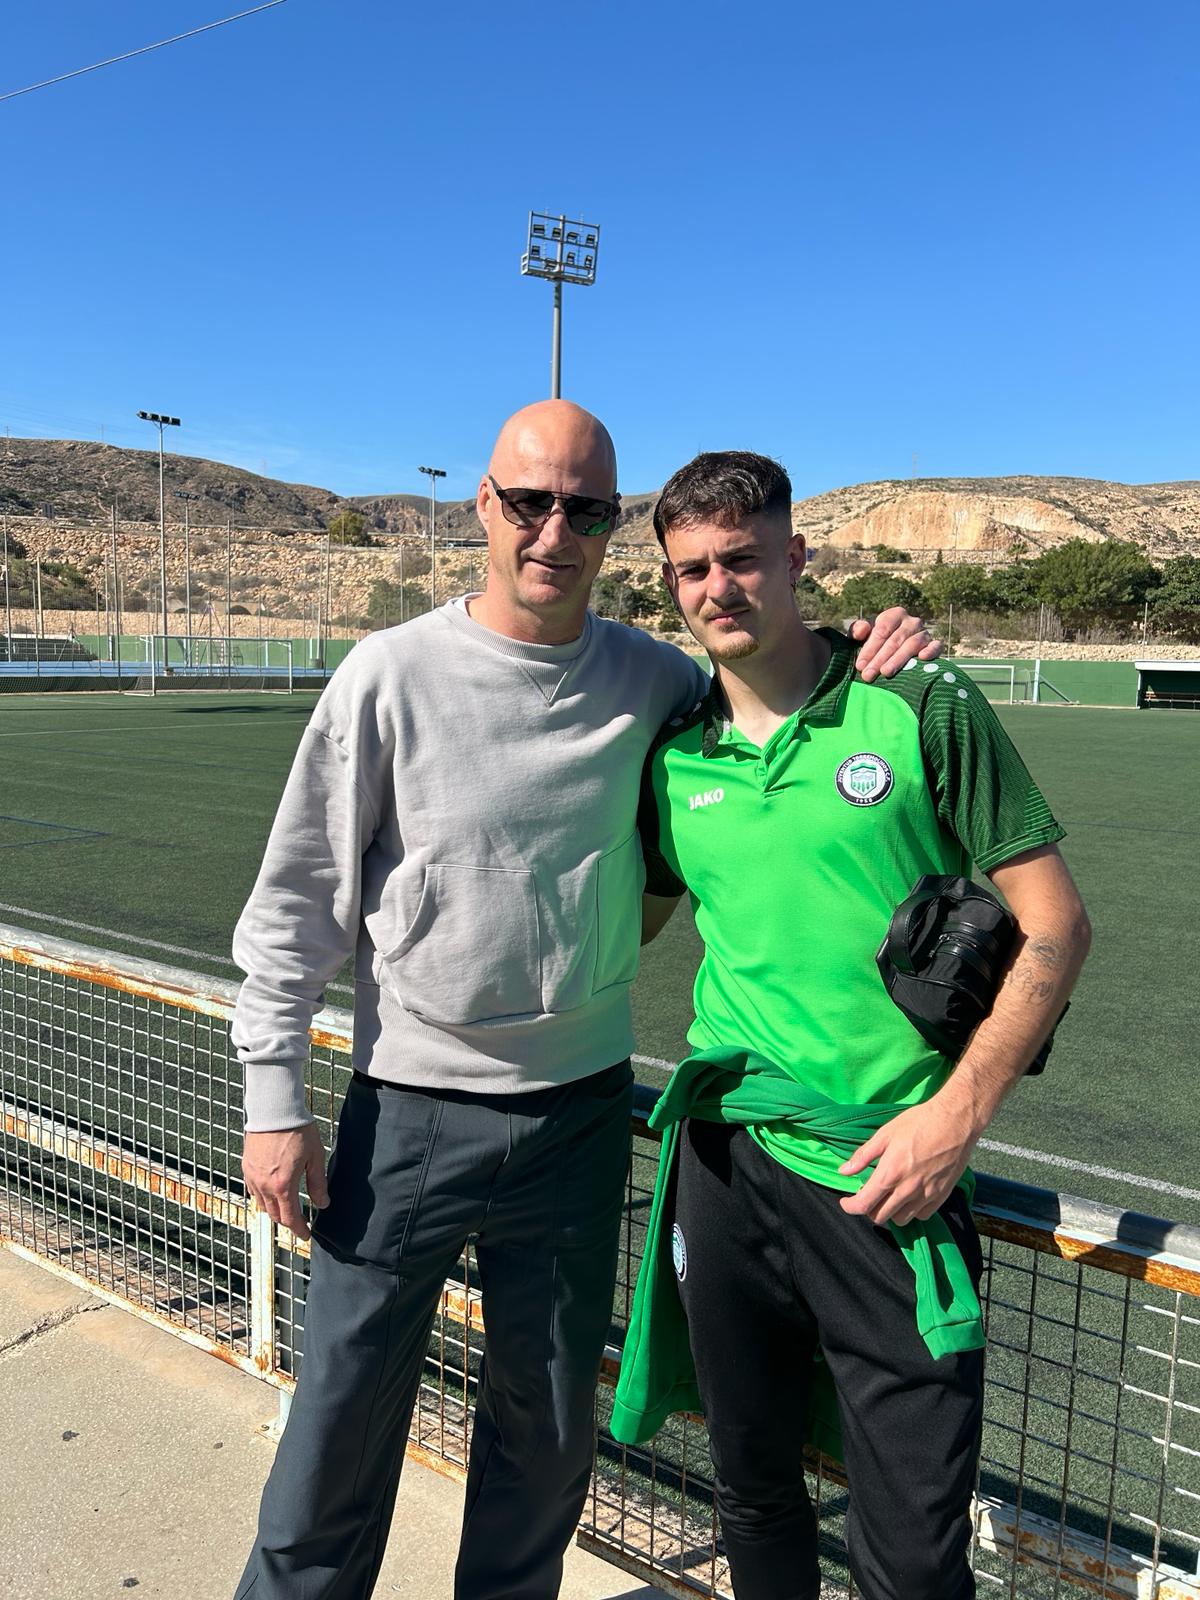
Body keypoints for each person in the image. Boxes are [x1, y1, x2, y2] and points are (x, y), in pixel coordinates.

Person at [228, 403, 939, 1600]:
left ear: (615, 528)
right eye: (530, 500)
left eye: (588, 509)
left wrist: (877, 636)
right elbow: (298, 896)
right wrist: (271, 1094)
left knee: (547, 1434)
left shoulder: (659, 684)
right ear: (482, 507)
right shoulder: (387, 675)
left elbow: (779, 667)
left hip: (578, 1117)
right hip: (408, 1109)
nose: (555, 530)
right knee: (339, 1428)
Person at [612, 450, 1092, 1600]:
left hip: (891, 1170)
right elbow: (616, 929)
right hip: (727, 1160)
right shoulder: (677, 758)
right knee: (751, 1484)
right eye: (692, 570)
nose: (718, 587)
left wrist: (954, 1122)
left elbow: (1058, 926)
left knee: (914, 1545)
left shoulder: (917, 700)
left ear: (796, 558)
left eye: (742, 558)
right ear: (669, 585)